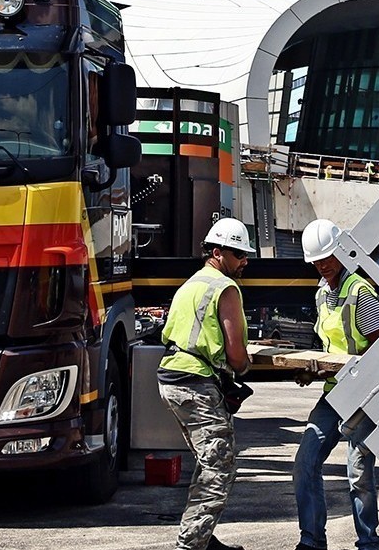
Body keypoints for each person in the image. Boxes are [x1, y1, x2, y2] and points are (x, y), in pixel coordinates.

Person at [158, 218, 255, 550]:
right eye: (239, 255)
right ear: (218, 252)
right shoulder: (225, 288)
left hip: (174, 377)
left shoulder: (192, 284)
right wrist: (245, 365)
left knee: (208, 459)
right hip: (194, 383)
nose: (244, 262)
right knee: (219, 466)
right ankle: (191, 543)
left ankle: (201, 536)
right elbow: (237, 355)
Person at [292, 219, 379, 550]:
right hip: (334, 393)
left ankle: (368, 544)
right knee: (305, 463)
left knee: (358, 474)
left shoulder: (361, 292)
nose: (323, 264)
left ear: (342, 252)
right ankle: (312, 541)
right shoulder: (321, 294)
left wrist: (360, 380)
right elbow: (332, 349)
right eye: (316, 261)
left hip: (363, 395)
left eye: (328, 257)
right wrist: (313, 371)